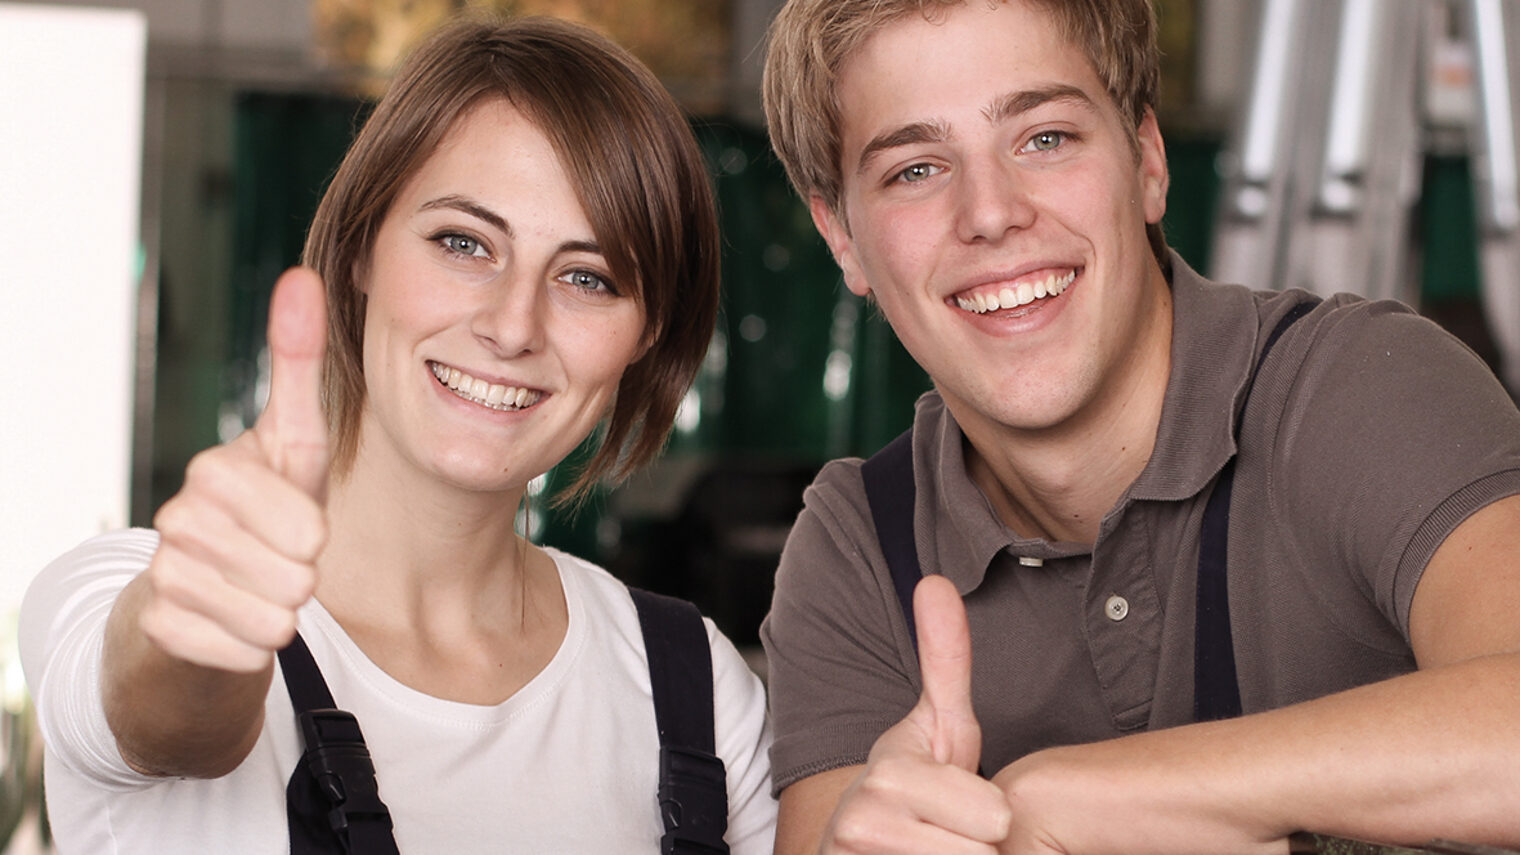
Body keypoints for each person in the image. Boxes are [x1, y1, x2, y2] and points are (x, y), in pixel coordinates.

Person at [758, 0, 1520, 853]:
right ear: (844, 240)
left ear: (1148, 162)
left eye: (1044, 137)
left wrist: (1094, 791)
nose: (991, 212)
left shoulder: (1358, 387)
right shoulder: (858, 547)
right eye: (915, 170)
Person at [18, 15, 776, 854]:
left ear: (647, 336)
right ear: (361, 250)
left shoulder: (695, 686)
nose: (513, 324)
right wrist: (204, 638)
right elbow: (164, 717)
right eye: (463, 242)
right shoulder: (115, 592)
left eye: (587, 277)